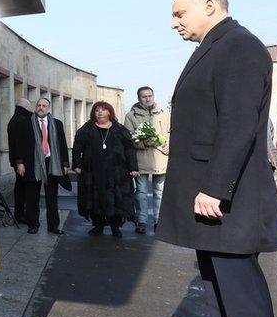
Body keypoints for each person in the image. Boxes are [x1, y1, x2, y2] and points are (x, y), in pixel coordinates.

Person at [159, 0, 277, 317]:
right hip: (208, 194)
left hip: (226, 195)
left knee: (240, 287)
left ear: (209, 5)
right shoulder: (215, 46)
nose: (174, 21)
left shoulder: (239, 47)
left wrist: (215, 188)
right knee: (215, 286)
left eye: (180, 13)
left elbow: (237, 123)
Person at [72, 102, 138, 237]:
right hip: (92, 172)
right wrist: (77, 165)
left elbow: (129, 149)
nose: (100, 112)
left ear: (109, 112)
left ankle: (115, 227)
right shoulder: (87, 129)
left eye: (103, 110)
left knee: (116, 198)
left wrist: (133, 168)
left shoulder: (120, 129)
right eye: (97, 110)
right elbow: (77, 148)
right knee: (94, 198)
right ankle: (98, 225)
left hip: (116, 172)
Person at [13, 97, 70, 235]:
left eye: (44, 105)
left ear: (49, 108)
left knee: (52, 197)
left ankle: (53, 226)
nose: (41, 108)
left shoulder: (57, 124)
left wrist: (65, 163)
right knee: (32, 197)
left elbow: (62, 144)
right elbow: (18, 144)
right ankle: (33, 224)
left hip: (52, 163)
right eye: (38, 105)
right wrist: (19, 163)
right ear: (35, 107)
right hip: (32, 164)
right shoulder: (26, 123)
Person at [123, 86, 170, 234]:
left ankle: (158, 221)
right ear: (138, 98)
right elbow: (128, 137)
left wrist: (170, 144)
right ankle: (141, 221)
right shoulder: (131, 116)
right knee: (141, 192)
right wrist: (145, 142)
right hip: (140, 159)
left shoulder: (164, 114)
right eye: (144, 96)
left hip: (161, 157)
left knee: (160, 192)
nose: (148, 98)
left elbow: (172, 132)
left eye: (150, 95)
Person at [6, 97, 33, 224]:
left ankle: (20, 213)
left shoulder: (15, 119)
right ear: (25, 107)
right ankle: (21, 214)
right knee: (24, 188)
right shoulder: (21, 120)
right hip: (21, 160)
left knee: (21, 187)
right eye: (29, 107)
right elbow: (19, 143)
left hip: (18, 159)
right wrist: (20, 162)